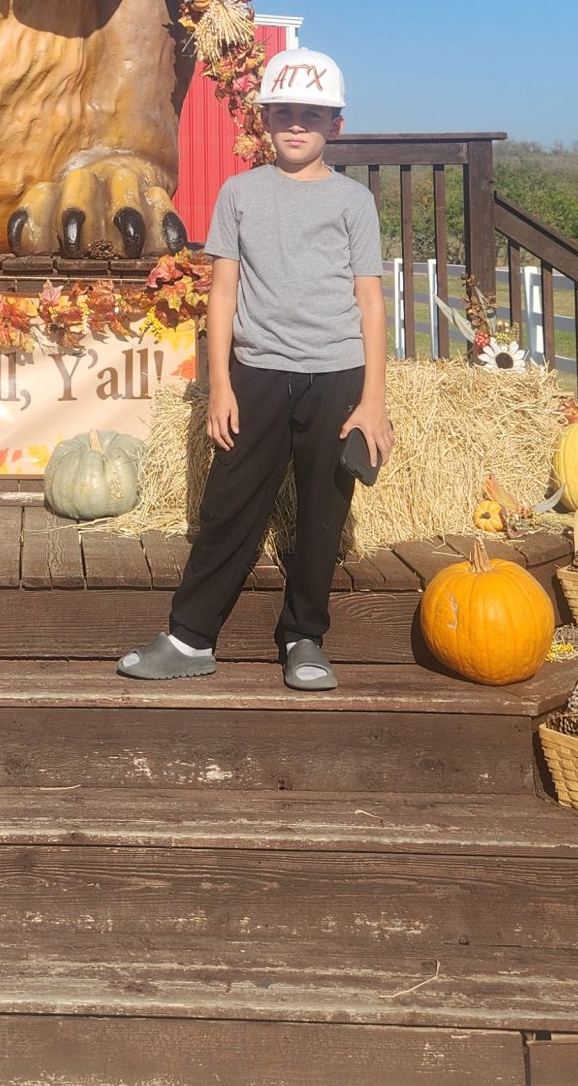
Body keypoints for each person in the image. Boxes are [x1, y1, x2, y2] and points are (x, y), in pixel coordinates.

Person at [117, 48, 392, 691]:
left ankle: (304, 637)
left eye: (312, 115)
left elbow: (370, 300)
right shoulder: (238, 194)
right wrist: (220, 385)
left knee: (323, 513)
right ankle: (190, 638)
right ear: (264, 119)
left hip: (337, 375)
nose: (297, 125)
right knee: (228, 505)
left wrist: (373, 399)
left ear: (336, 125)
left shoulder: (354, 202)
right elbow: (222, 292)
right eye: (284, 112)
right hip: (258, 373)